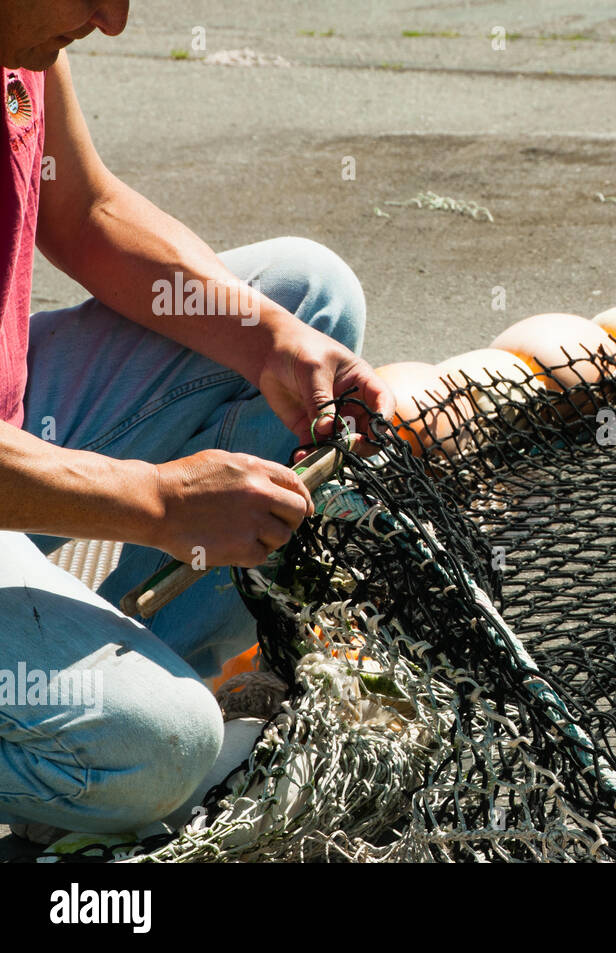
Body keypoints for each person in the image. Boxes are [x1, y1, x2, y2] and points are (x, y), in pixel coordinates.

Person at [0, 2, 395, 843]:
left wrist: (273, 339)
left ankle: (135, 672)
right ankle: (103, 745)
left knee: (306, 296)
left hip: (16, 419)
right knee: (156, 748)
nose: (112, 20)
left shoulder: (17, 42)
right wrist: (157, 501)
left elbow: (85, 212)